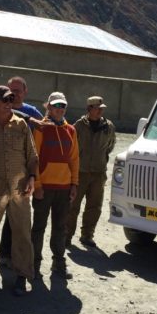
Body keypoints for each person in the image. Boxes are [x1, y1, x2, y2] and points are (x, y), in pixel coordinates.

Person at [0, 85, 38, 296]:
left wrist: (32, 177)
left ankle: (22, 275)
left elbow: (32, 155)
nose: (9, 103)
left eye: (11, 99)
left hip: (19, 189)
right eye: (4, 100)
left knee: (22, 233)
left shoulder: (21, 125)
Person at [31, 91, 79, 279]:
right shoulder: (41, 128)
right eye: (56, 106)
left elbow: (74, 159)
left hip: (64, 188)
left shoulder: (71, 130)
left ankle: (58, 263)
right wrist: (37, 184)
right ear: (48, 107)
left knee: (60, 227)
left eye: (63, 106)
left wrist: (74, 183)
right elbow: (34, 158)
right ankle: (34, 264)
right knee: (38, 227)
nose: (59, 109)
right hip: (45, 187)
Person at [0, 76, 45, 267]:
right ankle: (4, 254)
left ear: (25, 92)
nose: (14, 93)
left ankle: (20, 256)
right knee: (4, 213)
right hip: (3, 171)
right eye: (11, 90)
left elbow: (48, 127)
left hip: (26, 171)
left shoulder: (32, 112)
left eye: (18, 90)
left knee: (20, 217)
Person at [67, 95, 116, 249]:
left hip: (98, 173)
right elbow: (72, 149)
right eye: (97, 108)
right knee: (72, 206)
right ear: (89, 109)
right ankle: (66, 236)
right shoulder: (78, 126)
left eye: (102, 108)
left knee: (94, 206)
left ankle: (87, 235)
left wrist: (100, 161)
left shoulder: (108, 126)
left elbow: (110, 146)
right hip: (80, 172)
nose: (101, 111)